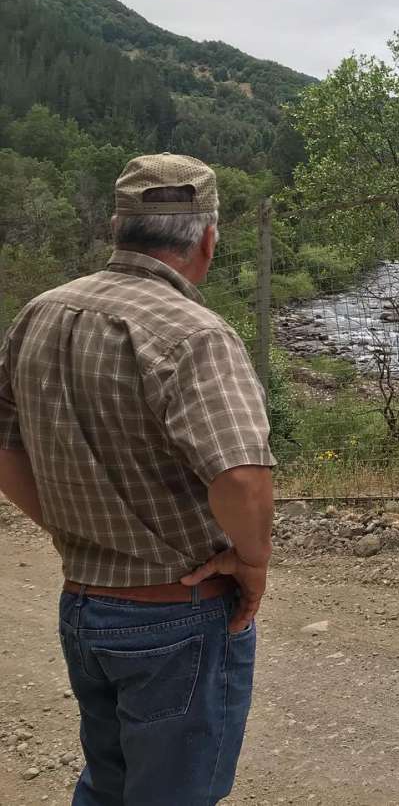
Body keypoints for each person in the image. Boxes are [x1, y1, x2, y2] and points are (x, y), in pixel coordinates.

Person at [0, 154, 275, 805]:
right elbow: (241, 477)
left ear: (117, 226)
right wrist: (253, 561)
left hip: (85, 607)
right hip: (175, 616)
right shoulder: (195, 333)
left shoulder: (40, 313)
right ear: (207, 239)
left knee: (110, 784)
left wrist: (70, 524)